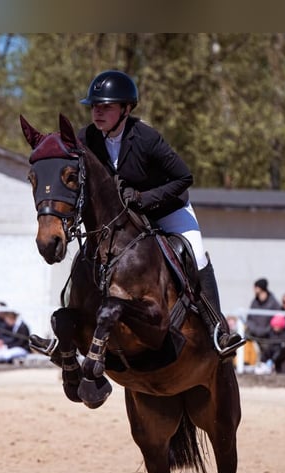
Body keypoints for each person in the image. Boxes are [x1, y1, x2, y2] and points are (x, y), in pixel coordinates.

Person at [76, 69, 244, 360]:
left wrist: (143, 198)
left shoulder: (145, 138)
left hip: (167, 209)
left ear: (126, 109)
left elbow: (183, 177)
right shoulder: (88, 137)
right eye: (95, 107)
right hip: (125, 218)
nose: (98, 113)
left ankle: (219, 330)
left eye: (106, 107)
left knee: (197, 254)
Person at [245, 278, 281, 358]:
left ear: (260, 288)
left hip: (268, 337)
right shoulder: (255, 302)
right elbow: (249, 318)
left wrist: (266, 330)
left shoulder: (273, 302)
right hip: (254, 334)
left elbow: (277, 320)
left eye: (255, 287)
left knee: (266, 354)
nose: (254, 289)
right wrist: (254, 329)